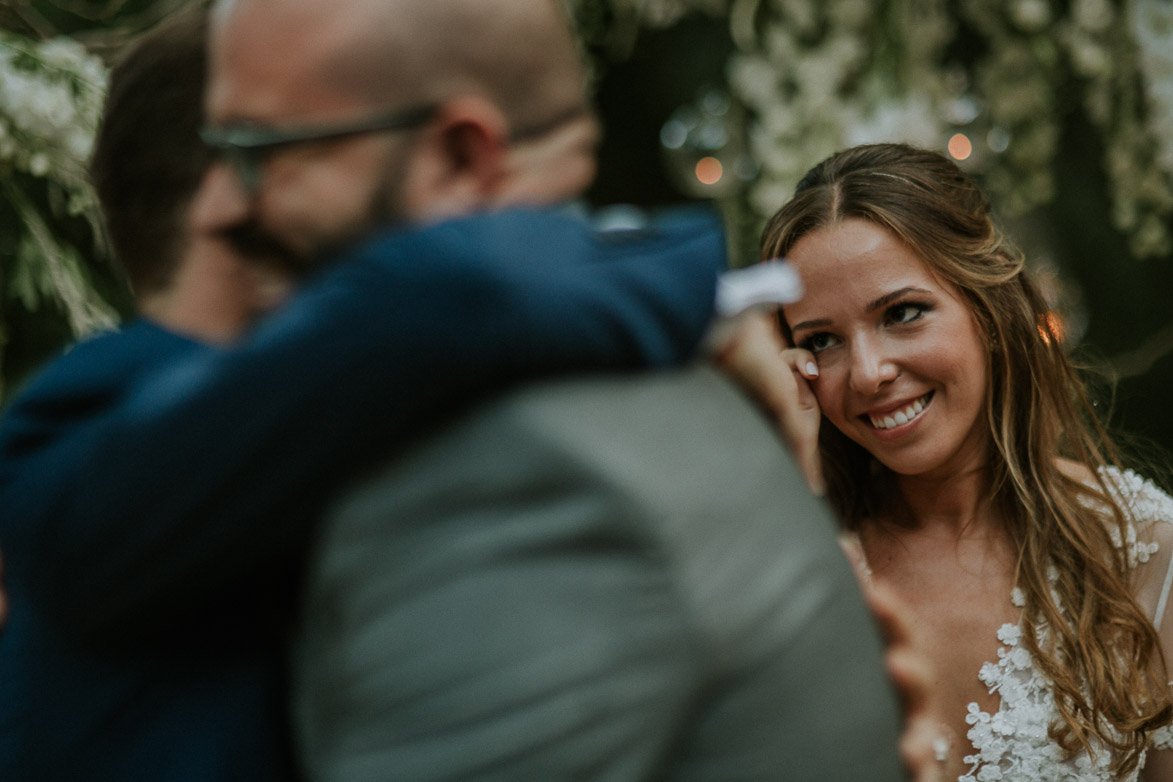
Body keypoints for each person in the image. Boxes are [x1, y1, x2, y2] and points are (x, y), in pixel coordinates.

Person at [0, 8, 746, 781]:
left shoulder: (351, 400)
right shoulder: (77, 424)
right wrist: (710, 283)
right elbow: (457, 288)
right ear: (227, 192)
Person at [194, 0, 907, 778]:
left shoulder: (513, 470)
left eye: (261, 152)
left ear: (463, 159)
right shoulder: (657, 364)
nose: (218, 207)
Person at [761, 142, 1173, 780]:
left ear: (988, 307)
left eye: (902, 313)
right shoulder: (779, 566)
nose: (868, 374)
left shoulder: (1143, 551)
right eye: (822, 341)